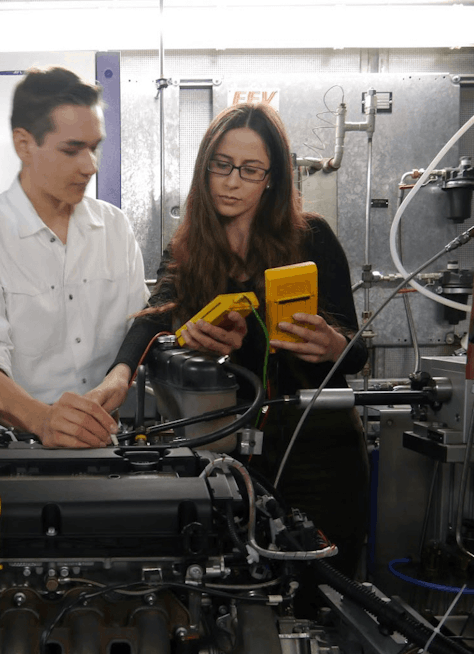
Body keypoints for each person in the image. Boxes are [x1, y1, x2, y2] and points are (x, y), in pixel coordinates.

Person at [100, 102, 369, 585]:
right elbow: (153, 319)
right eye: (220, 165)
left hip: (321, 446)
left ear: (272, 179)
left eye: (249, 170)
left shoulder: (313, 238)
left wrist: (333, 344)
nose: (230, 181)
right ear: (205, 167)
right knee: (240, 583)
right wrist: (121, 374)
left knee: (325, 585)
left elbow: (358, 350)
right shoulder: (187, 250)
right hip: (234, 449)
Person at [0, 67, 148, 448]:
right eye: (72, 149)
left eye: (94, 147)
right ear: (24, 144)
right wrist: (44, 420)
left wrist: (118, 378)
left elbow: (139, 329)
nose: (90, 166)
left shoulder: (115, 228)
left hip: (107, 443)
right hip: (18, 449)